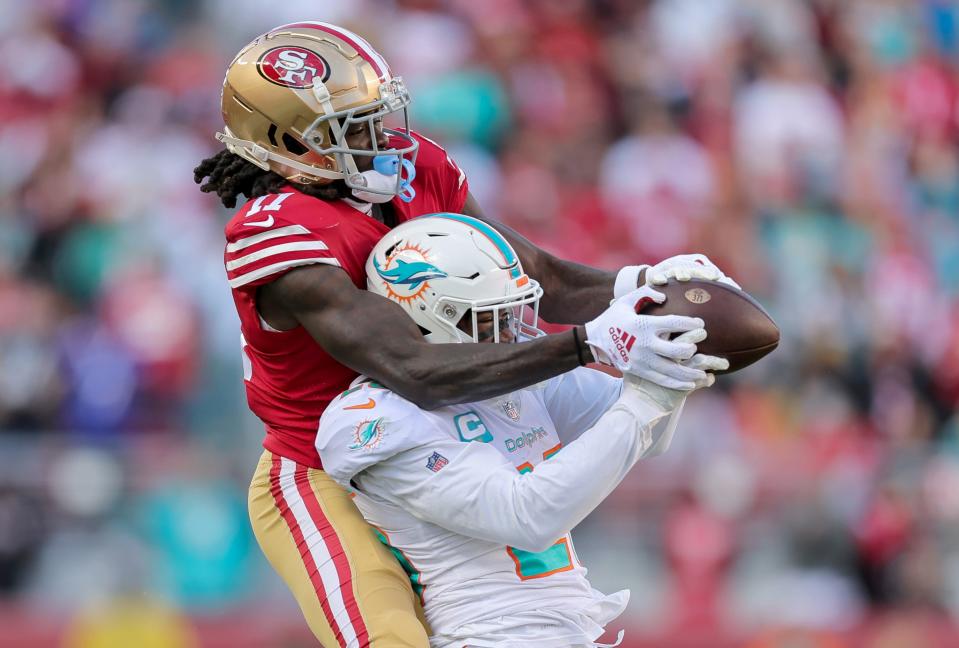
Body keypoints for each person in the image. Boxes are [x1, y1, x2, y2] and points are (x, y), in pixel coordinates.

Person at [193, 21, 733, 647]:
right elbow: (413, 368)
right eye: (351, 128)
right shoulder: (279, 233)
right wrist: (589, 343)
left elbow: (534, 275)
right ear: (287, 142)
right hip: (326, 467)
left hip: (443, 431)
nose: (379, 141)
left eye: (376, 117)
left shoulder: (414, 167)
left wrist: (641, 286)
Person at [316, 214, 722, 648]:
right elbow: (527, 515)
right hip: (488, 635)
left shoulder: (510, 376)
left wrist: (672, 361)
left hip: (569, 633)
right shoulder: (373, 418)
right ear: (431, 317)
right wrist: (646, 398)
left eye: (512, 312)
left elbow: (648, 438)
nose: (512, 332)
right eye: (492, 319)